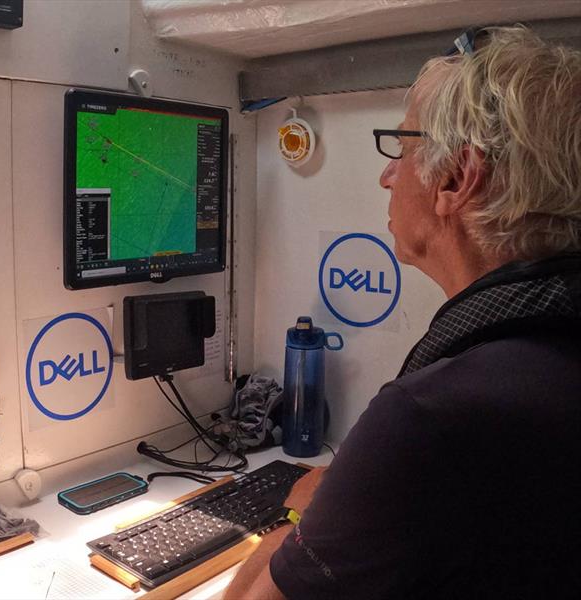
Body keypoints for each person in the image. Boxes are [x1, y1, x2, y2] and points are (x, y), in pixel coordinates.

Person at [225, 25, 581, 600]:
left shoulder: (433, 417)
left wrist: (306, 518)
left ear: (457, 178)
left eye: (403, 148)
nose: (387, 175)